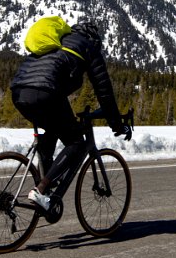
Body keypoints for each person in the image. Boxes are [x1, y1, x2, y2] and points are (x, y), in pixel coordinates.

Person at [10, 20, 131, 211]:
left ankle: (46, 179)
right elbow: (104, 91)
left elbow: (49, 77)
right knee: (76, 143)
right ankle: (41, 190)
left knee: (54, 128)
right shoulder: (88, 46)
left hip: (18, 93)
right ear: (94, 39)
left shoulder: (56, 42)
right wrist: (116, 124)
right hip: (47, 93)